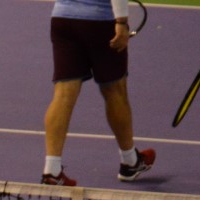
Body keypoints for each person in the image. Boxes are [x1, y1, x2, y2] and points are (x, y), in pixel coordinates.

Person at [42, 0, 156, 186]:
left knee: (63, 94)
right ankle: (129, 161)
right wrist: (121, 22)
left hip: (62, 19)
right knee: (115, 91)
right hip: (101, 21)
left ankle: (52, 170)